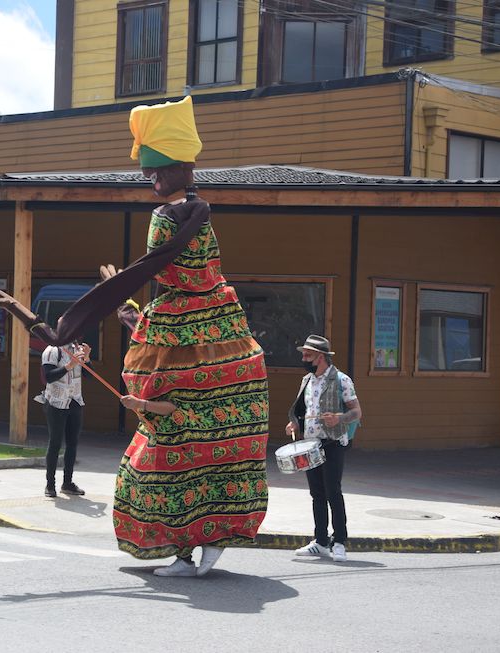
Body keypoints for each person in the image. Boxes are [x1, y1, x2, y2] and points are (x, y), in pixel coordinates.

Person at [112, 96, 269, 578]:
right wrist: (141, 318)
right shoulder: (202, 214)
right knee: (207, 457)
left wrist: (133, 310)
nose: (150, 179)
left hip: (185, 334)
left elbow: (165, 269)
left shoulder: (164, 220)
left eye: (157, 172)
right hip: (224, 334)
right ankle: (209, 543)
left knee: (160, 463)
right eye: (149, 172)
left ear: (182, 169)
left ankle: (185, 551)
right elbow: (185, 275)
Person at [286, 334, 362, 562]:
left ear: (320, 357)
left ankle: (339, 541)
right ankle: (320, 542)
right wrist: (295, 423)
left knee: (333, 492)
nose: (303, 357)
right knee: (316, 494)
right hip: (311, 445)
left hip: (332, 443)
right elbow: (303, 410)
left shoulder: (341, 380)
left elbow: (356, 413)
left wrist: (339, 418)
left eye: (307, 354)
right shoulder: (307, 380)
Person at [36, 341, 91, 498]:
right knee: (55, 443)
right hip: (56, 402)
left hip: (75, 401)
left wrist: (86, 359)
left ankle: (67, 483)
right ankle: (50, 485)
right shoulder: (52, 350)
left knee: (72, 444)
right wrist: (69, 366)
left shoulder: (77, 349)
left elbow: (88, 375)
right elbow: (48, 376)